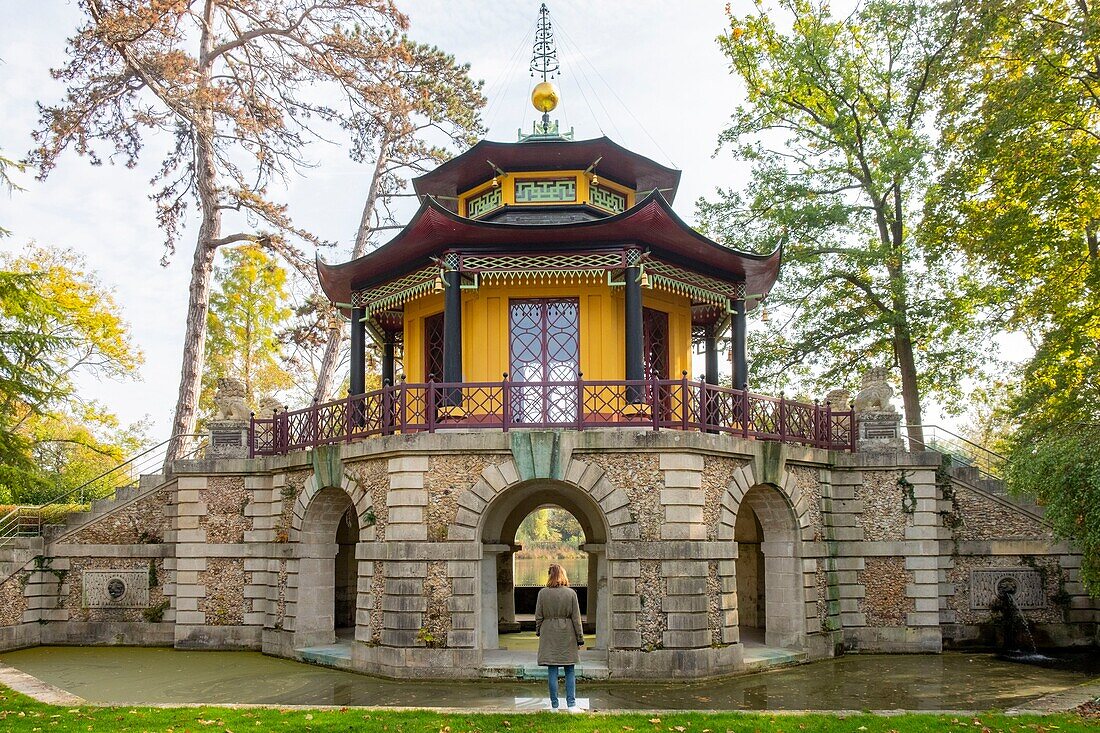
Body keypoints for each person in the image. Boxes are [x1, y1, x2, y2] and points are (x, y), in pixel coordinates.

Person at [535, 563, 585, 712]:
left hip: (548, 633)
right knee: (570, 669)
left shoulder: (542, 593)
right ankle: (571, 705)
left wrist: (539, 631)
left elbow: (538, 616)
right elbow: (576, 618)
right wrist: (580, 637)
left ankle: (554, 706)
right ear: (563, 575)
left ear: (550, 575)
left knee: (552, 670)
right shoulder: (571, 594)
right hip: (567, 633)